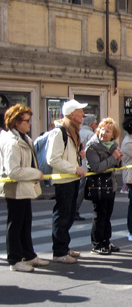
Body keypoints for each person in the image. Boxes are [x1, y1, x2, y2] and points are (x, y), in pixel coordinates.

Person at [0, 104, 47, 272]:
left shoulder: (23, 138)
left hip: (24, 187)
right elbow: (13, 171)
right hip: (16, 187)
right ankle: (15, 259)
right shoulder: (12, 142)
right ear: (16, 122)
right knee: (16, 224)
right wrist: (35, 173)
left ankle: (29, 255)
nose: (30, 124)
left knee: (25, 222)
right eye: (27, 120)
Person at [47, 99, 87, 264]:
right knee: (62, 216)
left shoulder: (72, 131)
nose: (83, 114)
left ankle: (64, 247)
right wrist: (74, 168)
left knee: (69, 215)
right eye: (80, 111)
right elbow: (52, 159)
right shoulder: (60, 132)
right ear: (72, 114)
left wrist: (78, 156)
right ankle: (59, 251)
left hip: (71, 179)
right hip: (64, 180)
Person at [84, 118, 122, 254]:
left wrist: (119, 159)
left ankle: (106, 241)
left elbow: (117, 165)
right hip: (97, 184)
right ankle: (97, 243)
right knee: (99, 215)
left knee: (107, 215)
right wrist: (113, 158)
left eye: (108, 131)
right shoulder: (92, 146)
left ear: (113, 135)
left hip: (110, 183)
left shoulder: (113, 145)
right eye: (102, 130)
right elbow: (97, 167)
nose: (104, 133)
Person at [74, 114, 97, 221]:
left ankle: (73, 209)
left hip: (76, 165)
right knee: (82, 189)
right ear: (92, 124)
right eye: (96, 123)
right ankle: (75, 210)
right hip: (85, 166)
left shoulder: (77, 132)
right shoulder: (91, 135)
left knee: (77, 188)